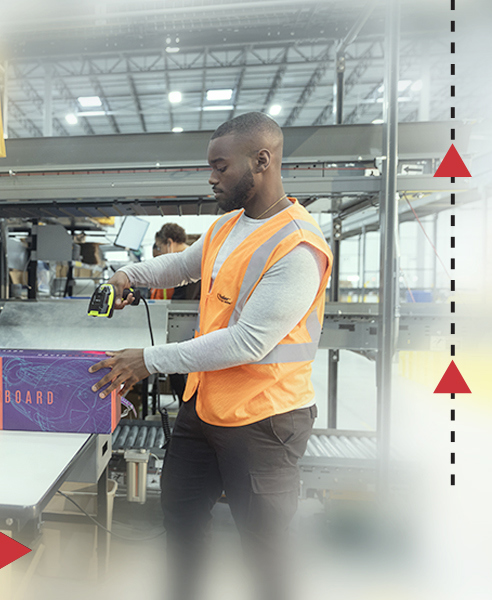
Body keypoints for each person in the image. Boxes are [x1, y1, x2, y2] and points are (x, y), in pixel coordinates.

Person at [89, 112, 332, 600]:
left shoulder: (298, 246)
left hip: (266, 419)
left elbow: (248, 342)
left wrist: (148, 360)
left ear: (261, 161)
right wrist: (128, 277)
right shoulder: (226, 228)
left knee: (264, 548)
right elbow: (178, 266)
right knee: (180, 520)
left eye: (221, 167)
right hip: (205, 409)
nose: (212, 177)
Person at [150, 223, 200, 301]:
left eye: (160, 247)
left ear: (169, 243)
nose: (161, 253)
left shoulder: (184, 264)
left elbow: (180, 301)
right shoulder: (195, 256)